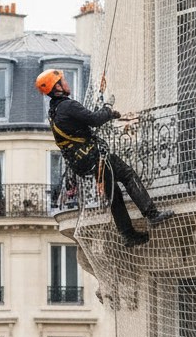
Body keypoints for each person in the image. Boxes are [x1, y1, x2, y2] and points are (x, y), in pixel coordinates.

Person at [36, 69, 174, 246]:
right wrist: (108, 107)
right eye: (63, 80)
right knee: (128, 174)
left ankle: (128, 234)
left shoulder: (54, 111)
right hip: (95, 157)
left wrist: (108, 113)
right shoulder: (68, 106)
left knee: (114, 194)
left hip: (83, 162)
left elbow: (85, 119)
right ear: (57, 88)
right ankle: (152, 214)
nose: (67, 83)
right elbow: (94, 119)